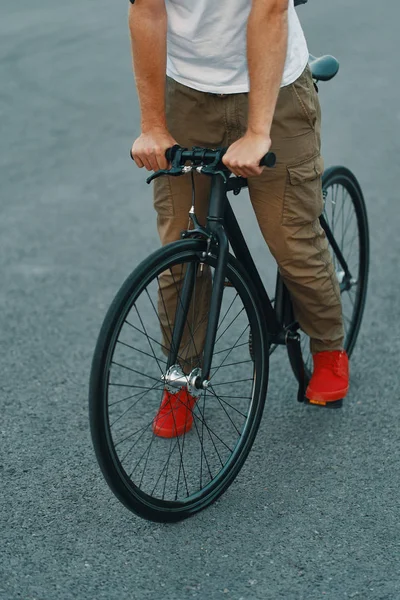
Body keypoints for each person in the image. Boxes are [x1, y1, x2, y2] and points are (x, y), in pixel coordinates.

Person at [129, 0, 349, 438]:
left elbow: (269, 12)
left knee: (292, 241)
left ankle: (328, 348)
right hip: (188, 93)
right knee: (179, 252)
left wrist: (257, 132)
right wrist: (153, 125)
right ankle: (182, 380)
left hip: (275, 90)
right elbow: (147, 10)